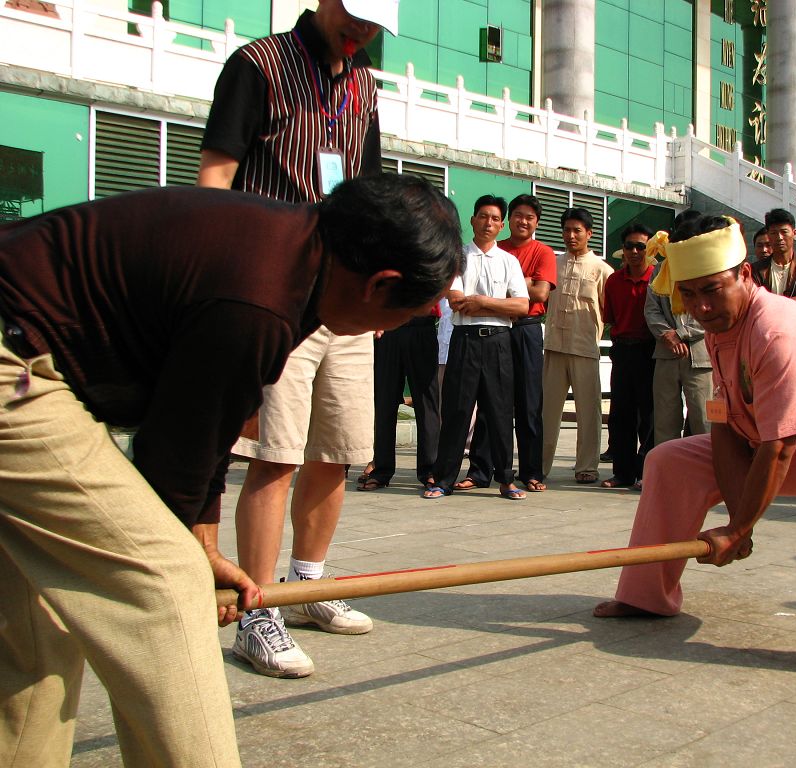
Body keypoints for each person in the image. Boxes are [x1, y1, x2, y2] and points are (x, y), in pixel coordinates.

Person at [0, 175, 462, 765]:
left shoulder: (291, 253)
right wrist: (200, 565)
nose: (405, 323)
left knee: (39, 622)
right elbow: (172, 462)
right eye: (417, 311)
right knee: (164, 587)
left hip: (28, 352)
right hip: (15, 368)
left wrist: (207, 547)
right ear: (381, 284)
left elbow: (201, 434)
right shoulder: (261, 296)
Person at [593, 214, 796, 685]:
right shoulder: (722, 324)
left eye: (711, 289)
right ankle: (646, 596)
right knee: (668, 461)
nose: (700, 307)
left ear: (744, 275)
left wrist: (740, 525)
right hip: (761, 438)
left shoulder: (778, 332)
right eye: (689, 293)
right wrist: (736, 524)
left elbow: (779, 447)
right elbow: (724, 424)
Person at [197, 0, 400, 676]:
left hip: (345, 292)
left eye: (374, 23)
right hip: (276, 287)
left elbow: (365, 187)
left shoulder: (366, 84)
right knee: (275, 451)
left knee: (337, 448)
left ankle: (311, 583)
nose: (361, 30)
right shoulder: (257, 65)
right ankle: (257, 613)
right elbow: (216, 177)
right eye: (354, 13)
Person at [424, 195, 529, 499]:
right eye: (483, 216)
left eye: (495, 219)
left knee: (498, 412)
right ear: (472, 220)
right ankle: (443, 480)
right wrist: (501, 305)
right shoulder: (457, 256)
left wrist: (482, 302)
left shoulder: (509, 261)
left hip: (498, 343)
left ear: (501, 225)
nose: (488, 223)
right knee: (457, 411)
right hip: (465, 340)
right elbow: (456, 300)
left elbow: (522, 305)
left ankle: (507, 480)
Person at [460, 194, 558, 492]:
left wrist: (518, 287)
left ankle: (531, 471)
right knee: (489, 401)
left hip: (526, 330)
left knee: (528, 402)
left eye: (529, 217)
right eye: (517, 215)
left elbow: (539, 295)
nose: (522, 221)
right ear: (507, 221)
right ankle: (479, 471)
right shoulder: (493, 249)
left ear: (536, 223)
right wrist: (518, 287)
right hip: (494, 329)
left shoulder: (543, 252)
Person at [542, 208, 615, 484]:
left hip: (585, 348)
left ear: (589, 234)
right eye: (567, 230)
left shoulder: (602, 269)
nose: (571, 236)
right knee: (547, 410)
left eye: (577, 230)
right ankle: (540, 465)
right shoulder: (553, 264)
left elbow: (611, 310)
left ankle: (586, 466)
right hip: (554, 347)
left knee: (589, 410)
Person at [645, 227, 713, 446]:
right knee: (665, 421)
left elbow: (709, 310)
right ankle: (668, 476)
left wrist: (681, 334)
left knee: (704, 421)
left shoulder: (705, 267)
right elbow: (651, 309)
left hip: (700, 356)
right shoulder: (660, 271)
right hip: (666, 352)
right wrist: (667, 335)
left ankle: (706, 475)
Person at [360, 308, 441, 491]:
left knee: (427, 404)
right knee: (384, 402)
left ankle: (430, 470)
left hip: (422, 323)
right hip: (389, 325)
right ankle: (381, 470)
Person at [601, 224, 656, 489]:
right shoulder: (614, 280)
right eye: (629, 247)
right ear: (622, 250)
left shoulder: (658, 279)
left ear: (650, 249)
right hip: (622, 350)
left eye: (640, 246)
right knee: (621, 414)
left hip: (650, 351)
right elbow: (609, 317)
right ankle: (622, 473)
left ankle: (644, 472)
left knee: (649, 413)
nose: (634, 251)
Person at [751, 208, 796, 312]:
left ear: (794, 233)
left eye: (784, 232)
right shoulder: (756, 270)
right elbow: (754, 302)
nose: (779, 237)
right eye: (774, 233)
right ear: (768, 235)